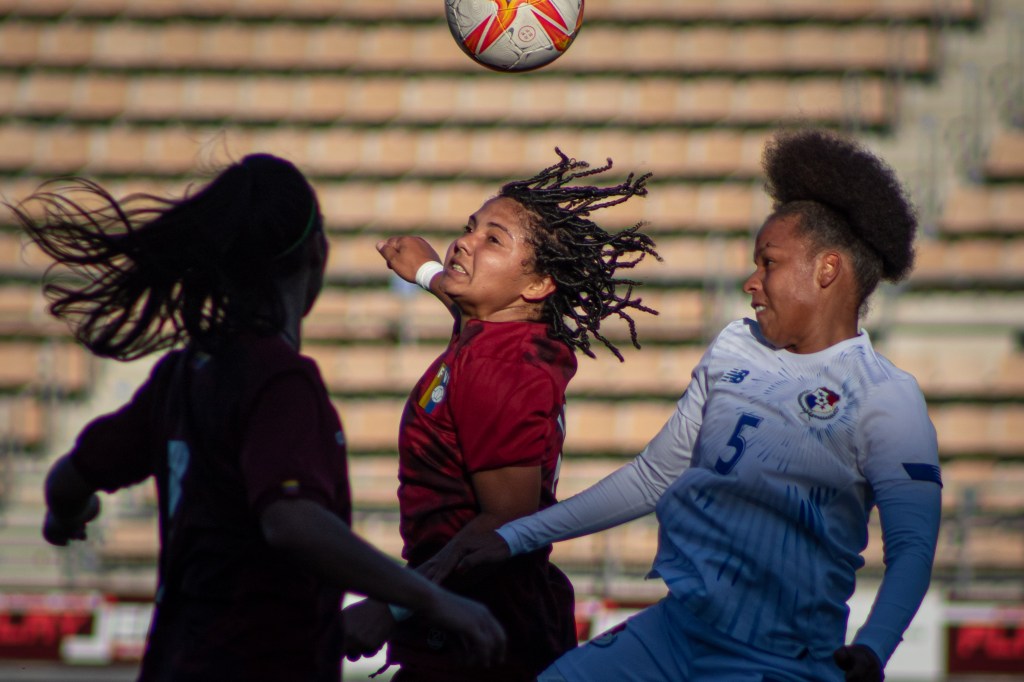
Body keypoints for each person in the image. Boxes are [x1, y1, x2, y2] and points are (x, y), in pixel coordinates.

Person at [423, 129, 943, 682]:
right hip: (673, 632)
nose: (751, 282)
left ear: (827, 270)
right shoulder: (736, 345)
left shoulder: (886, 395)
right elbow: (654, 477)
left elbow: (912, 547)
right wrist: (514, 537)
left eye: (768, 263)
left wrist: (874, 647)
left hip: (774, 660)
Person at [8, 153, 505, 682]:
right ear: (315, 254)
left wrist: (67, 514)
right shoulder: (280, 383)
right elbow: (291, 522)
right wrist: (430, 599)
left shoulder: (183, 374)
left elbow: (68, 478)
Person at [341, 149, 663, 681]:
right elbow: (467, 309)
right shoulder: (503, 333)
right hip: (473, 612)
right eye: (470, 228)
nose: (465, 242)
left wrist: (392, 605)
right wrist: (427, 272)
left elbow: (504, 521)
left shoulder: (499, 367)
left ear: (536, 286)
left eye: (494, 240)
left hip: (481, 626)